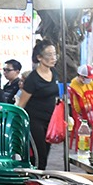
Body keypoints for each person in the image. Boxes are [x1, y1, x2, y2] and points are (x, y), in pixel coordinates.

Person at [17, 40, 60, 170]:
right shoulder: (32, 79)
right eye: (49, 55)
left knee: (45, 154)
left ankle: (36, 179)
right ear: (39, 57)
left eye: (54, 54)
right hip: (35, 121)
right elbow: (21, 105)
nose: (53, 58)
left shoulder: (54, 73)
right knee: (39, 155)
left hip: (50, 120)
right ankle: (34, 182)